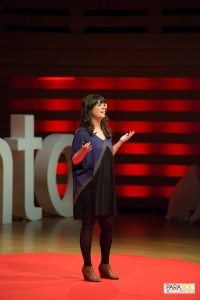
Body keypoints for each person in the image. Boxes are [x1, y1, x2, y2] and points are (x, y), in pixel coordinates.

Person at [71, 94, 135, 282]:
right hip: (88, 184)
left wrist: (121, 142)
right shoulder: (82, 132)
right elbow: (74, 160)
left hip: (105, 183)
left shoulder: (106, 130)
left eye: (104, 104)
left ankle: (105, 265)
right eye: (99, 104)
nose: (104, 106)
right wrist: (82, 151)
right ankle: (87, 266)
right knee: (88, 223)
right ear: (90, 108)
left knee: (107, 225)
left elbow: (107, 155)